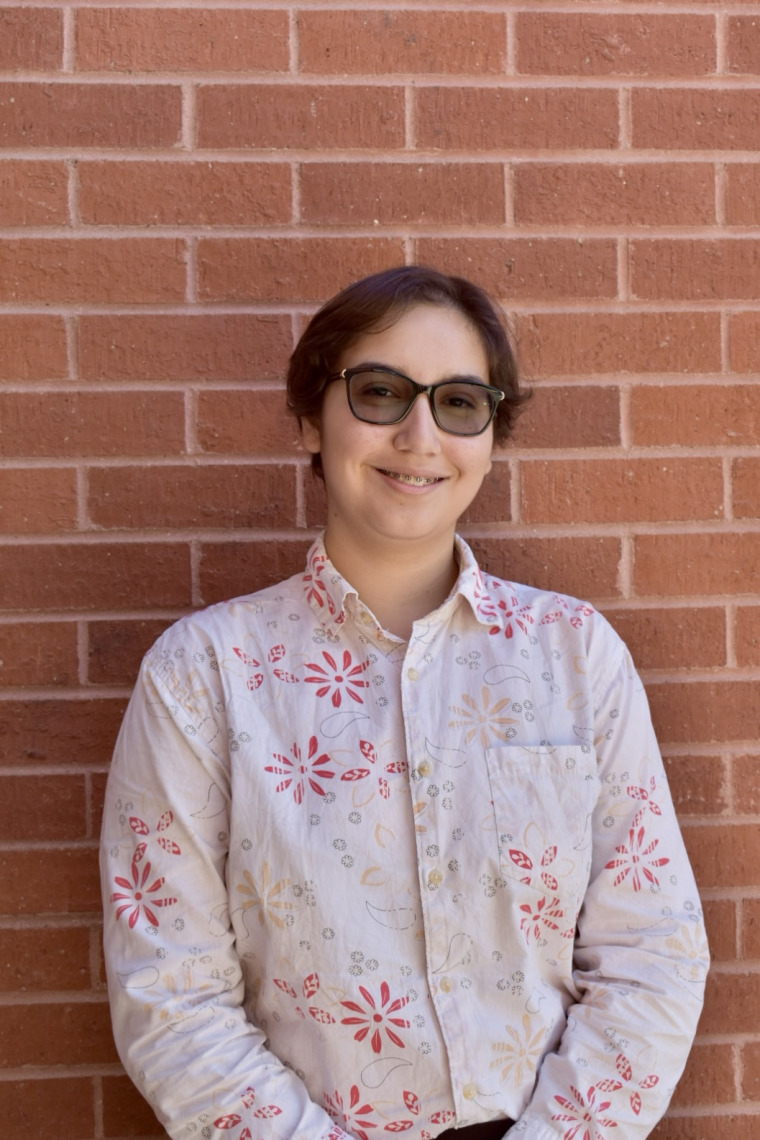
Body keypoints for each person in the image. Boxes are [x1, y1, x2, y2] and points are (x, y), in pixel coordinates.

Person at [101, 266, 708, 1140]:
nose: (420, 435)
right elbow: (171, 996)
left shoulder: (575, 660)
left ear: (491, 436)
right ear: (313, 416)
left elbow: (654, 952)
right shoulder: (204, 678)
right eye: (381, 392)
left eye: (460, 403)